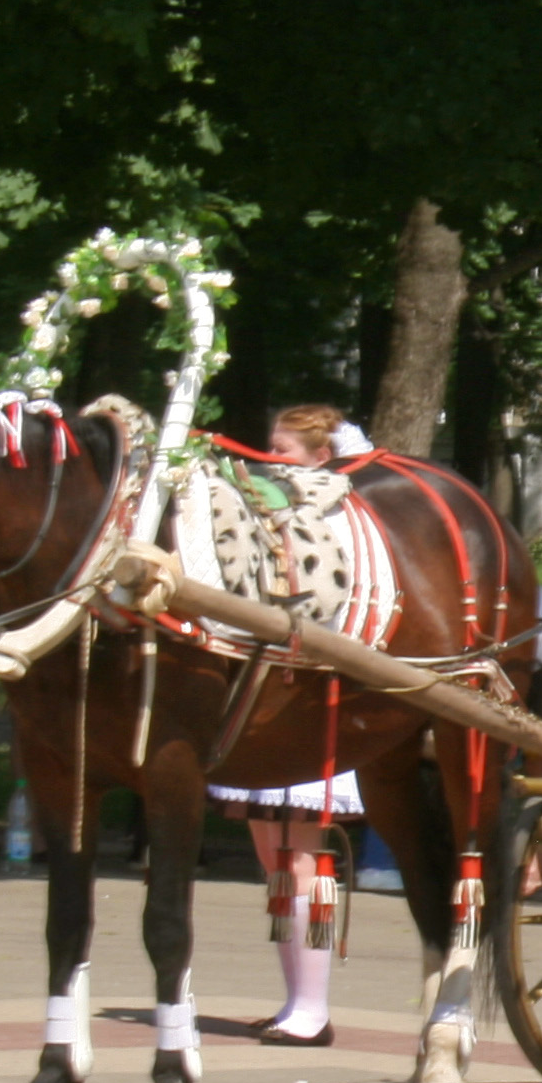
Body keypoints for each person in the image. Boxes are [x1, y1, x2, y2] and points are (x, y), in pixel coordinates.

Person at [212, 400, 362, 1043]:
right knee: (273, 860)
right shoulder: (262, 512)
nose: (272, 459)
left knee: (304, 859)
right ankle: (295, 999)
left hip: (311, 704)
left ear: (322, 458)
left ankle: (314, 1006)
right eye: (270, 446)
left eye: (287, 451)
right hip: (266, 699)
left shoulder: (338, 516)